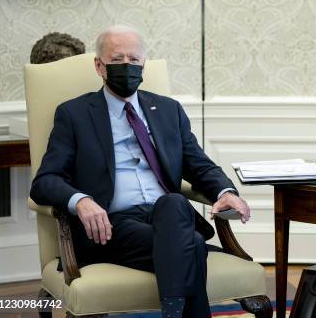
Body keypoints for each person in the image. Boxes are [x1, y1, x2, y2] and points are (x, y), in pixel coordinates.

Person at [29, 25, 251, 318]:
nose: (127, 66)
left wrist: (226, 192)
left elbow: (199, 164)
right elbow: (45, 181)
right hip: (111, 225)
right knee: (193, 245)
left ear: (143, 63)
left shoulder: (168, 110)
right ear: (99, 65)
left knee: (173, 203)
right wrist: (80, 200)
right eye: (117, 60)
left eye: (133, 60)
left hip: (167, 217)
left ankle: (172, 310)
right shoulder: (74, 114)